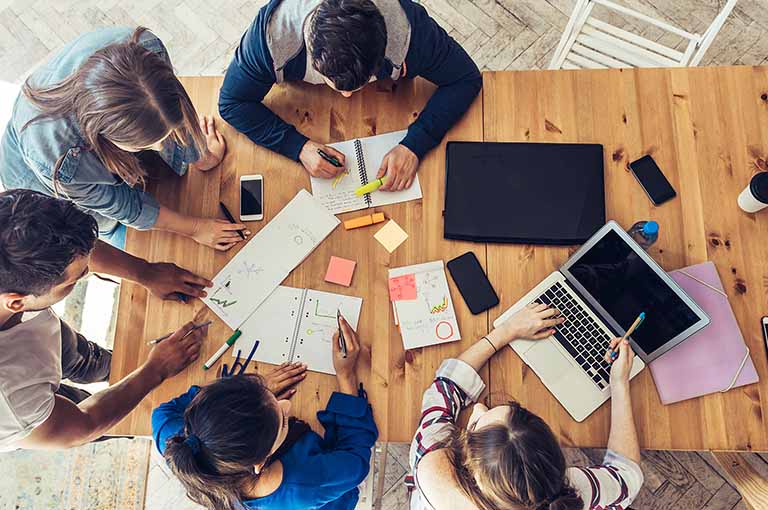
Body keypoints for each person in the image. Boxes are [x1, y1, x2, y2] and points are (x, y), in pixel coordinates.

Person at [0, 26, 248, 251]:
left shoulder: (147, 48)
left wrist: (200, 155)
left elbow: (166, 109)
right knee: (116, 233)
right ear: (103, 137)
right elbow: (126, 208)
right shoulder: (63, 162)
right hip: (36, 175)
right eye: (144, 145)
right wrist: (195, 228)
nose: (161, 147)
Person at [0, 189, 209, 451]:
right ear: (17, 301)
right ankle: (135, 428)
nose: (88, 272)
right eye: (76, 279)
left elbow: (73, 250)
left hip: (30, 333)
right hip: (32, 407)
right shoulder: (11, 399)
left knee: (84, 357)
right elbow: (81, 426)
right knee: (108, 418)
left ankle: (107, 367)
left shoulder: (11, 230)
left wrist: (146, 272)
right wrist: (156, 369)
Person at [218, 0, 482, 191]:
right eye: (334, 83)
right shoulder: (269, 40)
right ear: (310, 51)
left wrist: (415, 144)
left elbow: (466, 78)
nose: (346, 96)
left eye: (363, 82)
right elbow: (231, 103)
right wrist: (297, 146)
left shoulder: (413, 34)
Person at [408, 303, 644, 510]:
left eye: (477, 424)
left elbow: (446, 386)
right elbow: (627, 477)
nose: (479, 407)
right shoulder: (572, 492)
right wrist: (619, 383)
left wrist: (506, 330)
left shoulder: (430, 455)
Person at [152, 316, 377, 510]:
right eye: (282, 422)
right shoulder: (304, 484)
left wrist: (247, 394)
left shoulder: (177, 441)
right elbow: (355, 459)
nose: (286, 405)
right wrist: (347, 377)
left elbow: (161, 413)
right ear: (261, 462)